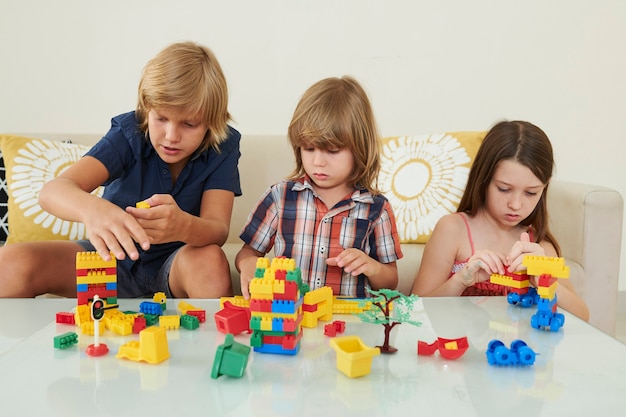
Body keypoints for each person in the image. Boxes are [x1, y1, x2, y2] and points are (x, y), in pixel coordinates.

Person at [0, 41, 241, 299]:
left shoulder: (222, 144)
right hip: (107, 261)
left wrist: (183, 226)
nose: (171, 136)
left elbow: (217, 229)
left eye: (189, 124)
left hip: (176, 267)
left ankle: (217, 340)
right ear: (146, 108)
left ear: (212, 121)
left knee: (210, 261)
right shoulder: (130, 132)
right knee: (10, 263)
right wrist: (92, 209)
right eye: (161, 118)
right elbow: (52, 192)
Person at [235, 76, 403, 299]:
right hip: (290, 317)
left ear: (360, 148)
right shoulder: (280, 197)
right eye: (309, 148)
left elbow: (390, 280)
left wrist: (372, 267)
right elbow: (248, 252)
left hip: (348, 322)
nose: (318, 162)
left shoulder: (377, 208)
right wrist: (248, 265)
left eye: (332, 150)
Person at [410, 120, 589, 321]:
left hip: (518, 349)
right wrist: (461, 281)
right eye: (504, 189)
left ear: (544, 189)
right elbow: (414, 310)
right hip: (459, 347)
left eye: (531, 193)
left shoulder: (540, 245)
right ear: (483, 179)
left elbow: (583, 316)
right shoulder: (452, 230)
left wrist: (544, 280)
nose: (515, 204)